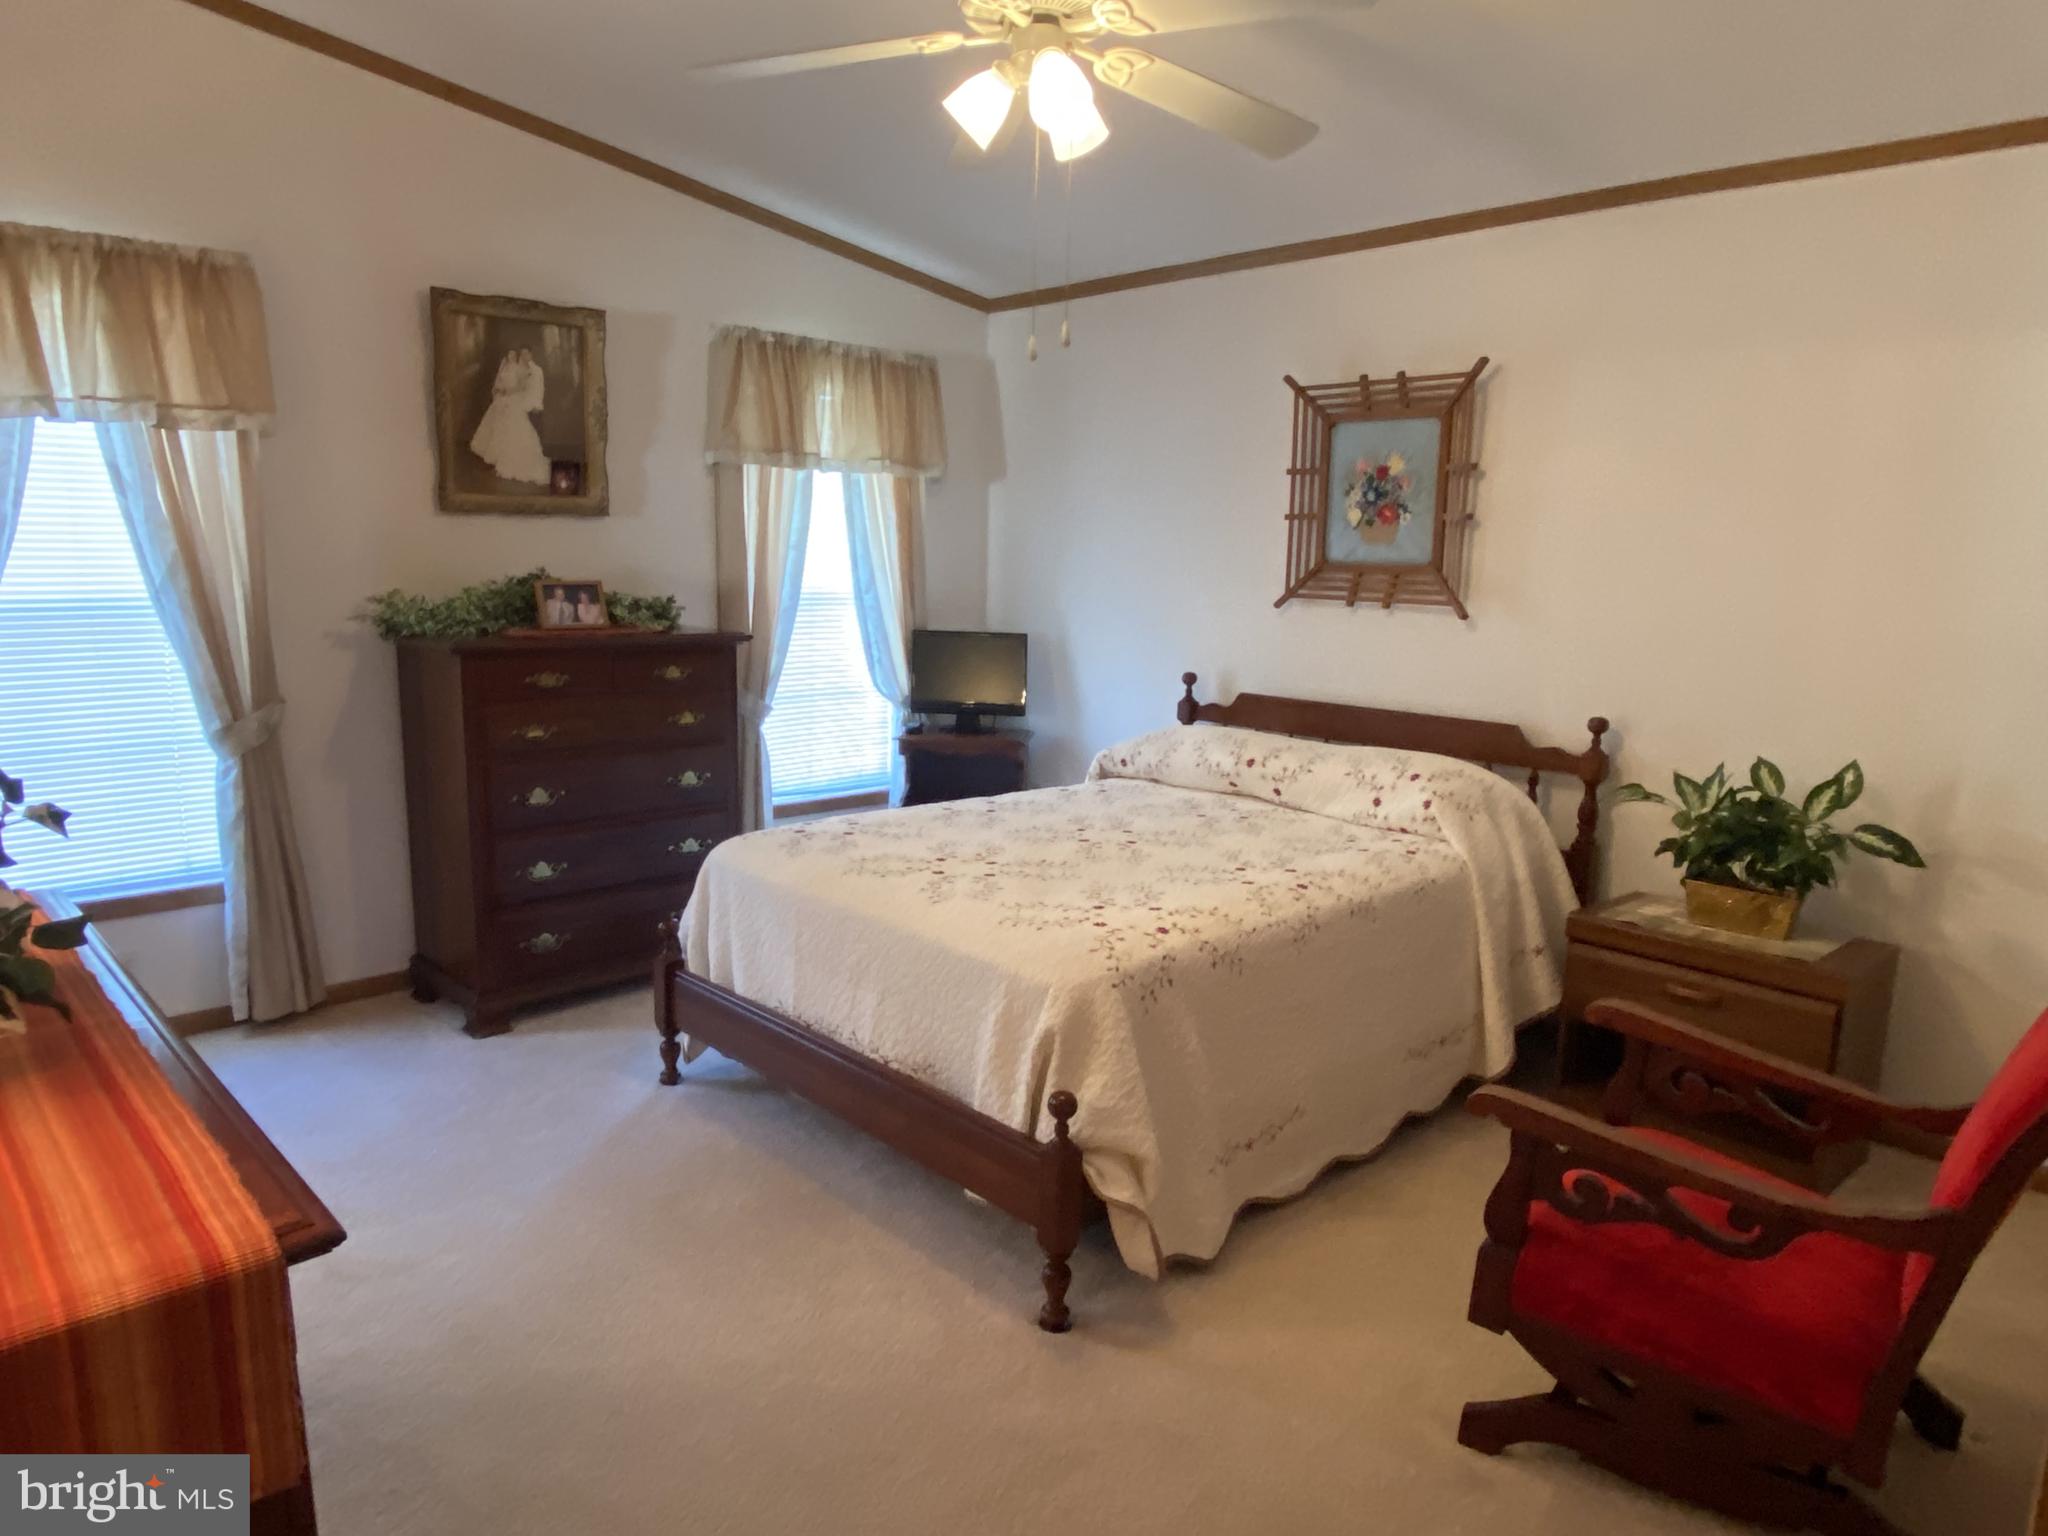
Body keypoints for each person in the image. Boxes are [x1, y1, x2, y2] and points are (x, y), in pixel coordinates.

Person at [468, 347, 550, 484]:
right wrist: (499, 390)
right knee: (498, 428)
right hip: (503, 400)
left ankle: (513, 460)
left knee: (514, 428)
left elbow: (521, 387)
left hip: (513, 400)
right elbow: (498, 384)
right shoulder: (505, 366)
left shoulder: (521, 370)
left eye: (513, 354)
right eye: (509, 354)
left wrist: (507, 392)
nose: (511, 356)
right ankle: (497, 457)